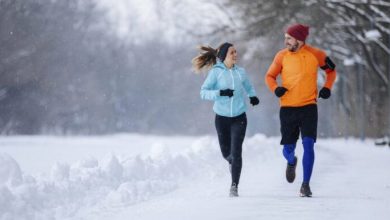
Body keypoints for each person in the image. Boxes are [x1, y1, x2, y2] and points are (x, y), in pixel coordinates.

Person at [265, 24, 337, 197]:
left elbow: (331, 71)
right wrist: (276, 89)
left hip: (309, 107)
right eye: (285, 38)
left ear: (299, 39)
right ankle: (291, 161)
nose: (286, 41)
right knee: (287, 149)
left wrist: (327, 87)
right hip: (288, 108)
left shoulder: (316, 54)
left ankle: (305, 185)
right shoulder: (281, 56)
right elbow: (269, 76)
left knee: (308, 144)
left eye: (289, 38)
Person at [192, 42, 259, 197]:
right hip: (221, 118)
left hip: (239, 117)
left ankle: (234, 185)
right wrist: (221, 93)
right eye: (232, 52)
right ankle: (231, 162)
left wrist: (253, 96)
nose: (236, 54)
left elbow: (248, 86)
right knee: (226, 153)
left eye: (236, 51)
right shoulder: (216, 72)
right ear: (224, 56)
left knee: (237, 152)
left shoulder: (241, 72)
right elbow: (203, 92)